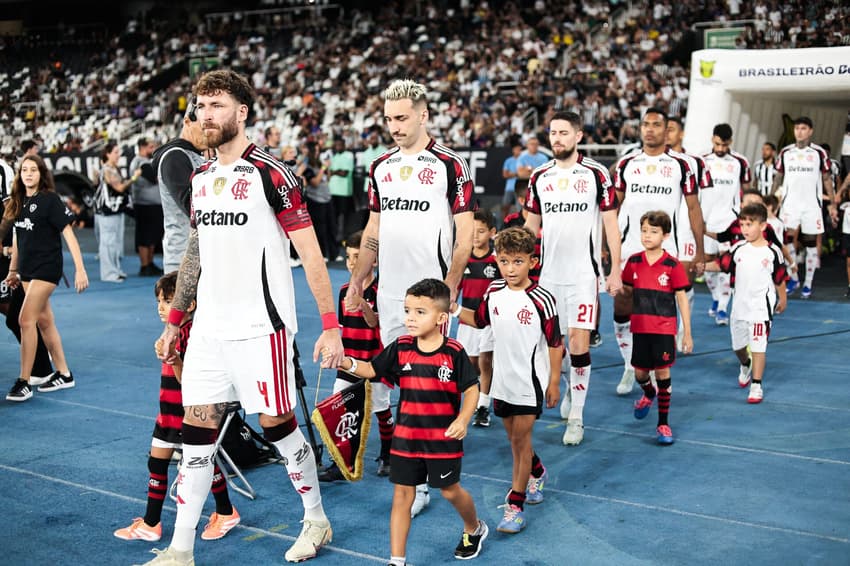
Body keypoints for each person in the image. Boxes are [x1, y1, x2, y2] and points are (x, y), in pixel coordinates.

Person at [143, 69, 343, 566]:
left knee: (278, 427)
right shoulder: (201, 176)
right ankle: (180, 549)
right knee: (196, 434)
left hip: (262, 328)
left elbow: (312, 254)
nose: (205, 115)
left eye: (216, 105)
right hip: (209, 329)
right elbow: (195, 252)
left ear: (242, 113)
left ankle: (315, 519)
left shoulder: (272, 173)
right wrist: (175, 320)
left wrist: (331, 326)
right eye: (200, 106)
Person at [346, 78, 474, 518]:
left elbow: (465, 232)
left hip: (431, 295)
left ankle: (427, 474)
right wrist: (360, 279)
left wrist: (451, 285)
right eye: (388, 119)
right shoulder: (380, 166)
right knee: (398, 379)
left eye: (401, 118)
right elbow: (374, 230)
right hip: (390, 295)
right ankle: (410, 465)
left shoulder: (449, 165)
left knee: (429, 384)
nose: (394, 127)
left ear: (423, 115)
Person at [332, 278, 487, 564]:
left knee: (450, 492)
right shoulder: (401, 346)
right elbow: (371, 369)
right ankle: (397, 560)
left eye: (419, 312)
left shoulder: (454, 352)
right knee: (402, 496)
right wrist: (344, 362)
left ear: (441, 318)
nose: (410, 318)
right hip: (406, 438)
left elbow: (471, 388)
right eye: (407, 310)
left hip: (442, 440)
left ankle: (474, 527)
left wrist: (464, 419)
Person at [114, 271, 239, 543]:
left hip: (189, 413)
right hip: (168, 411)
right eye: (159, 301)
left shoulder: (194, 334)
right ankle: (151, 523)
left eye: (168, 301)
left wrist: (174, 358)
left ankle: (226, 511)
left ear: (189, 304)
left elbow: (190, 383)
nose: (161, 307)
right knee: (156, 463)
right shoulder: (176, 331)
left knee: (202, 462)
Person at [523, 110, 622, 446]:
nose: (557, 139)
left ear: (579, 136)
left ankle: (577, 416)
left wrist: (615, 270)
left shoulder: (596, 174)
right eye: (553, 133)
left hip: (584, 276)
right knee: (553, 347)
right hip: (548, 277)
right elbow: (529, 228)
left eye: (564, 133)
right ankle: (567, 386)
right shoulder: (539, 176)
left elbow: (611, 224)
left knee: (578, 344)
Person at [454, 227, 561, 533]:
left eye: (517, 261)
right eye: (504, 261)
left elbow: (555, 343)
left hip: (531, 382)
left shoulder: (543, 299)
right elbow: (479, 320)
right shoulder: (494, 291)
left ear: (532, 261)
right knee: (515, 441)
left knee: (519, 440)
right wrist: (452, 307)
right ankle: (537, 472)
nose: (510, 268)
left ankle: (515, 505)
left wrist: (553, 381)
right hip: (502, 380)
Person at [611, 107, 704, 396]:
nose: (650, 129)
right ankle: (630, 364)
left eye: (656, 125)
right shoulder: (626, 163)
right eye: (645, 124)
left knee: (657, 312)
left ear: (667, 130)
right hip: (630, 248)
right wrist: (607, 247)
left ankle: (656, 372)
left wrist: (700, 251)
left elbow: (692, 207)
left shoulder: (683, 165)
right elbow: (611, 208)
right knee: (622, 306)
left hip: (667, 250)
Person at [3, 155, 87, 402]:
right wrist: (12, 270)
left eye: (33, 170)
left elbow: (69, 234)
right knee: (45, 322)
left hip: (47, 269)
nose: (28, 174)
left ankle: (24, 381)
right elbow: (18, 238)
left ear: (41, 174)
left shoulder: (50, 200)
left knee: (24, 320)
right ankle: (64, 373)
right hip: (27, 271)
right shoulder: (18, 201)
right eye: (24, 170)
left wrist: (80, 269)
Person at [318, 229, 394, 482]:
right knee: (339, 410)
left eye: (358, 257)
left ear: (373, 260)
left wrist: (362, 304)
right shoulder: (342, 292)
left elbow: (375, 324)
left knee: (381, 410)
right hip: (349, 361)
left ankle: (387, 455)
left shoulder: (382, 291)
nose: (352, 262)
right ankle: (339, 462)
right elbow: (339, 329)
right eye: (349, 257)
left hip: (374, 361)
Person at [621, 211, 693, 445]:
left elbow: (682, 298)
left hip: (663, 328)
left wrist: (687, 333)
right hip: (640, 327)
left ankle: (663, 423)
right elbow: (627, 289)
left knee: (663, 372)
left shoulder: (672, 265)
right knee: (641, 373)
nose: (647, 235)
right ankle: (648, 393)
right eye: (644, 230)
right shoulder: (633, 262)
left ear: (665, 235)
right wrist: (612, 288)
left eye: (653, 231)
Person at [705, 203, 787, 403]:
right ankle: (745, 364)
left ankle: (757, 385)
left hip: (761, 308)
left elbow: (780, 277)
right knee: (738, 347)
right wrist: (701, 267)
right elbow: (721, 265)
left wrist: (782, 297)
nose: (745, 229)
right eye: (742, 225)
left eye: (749, 224)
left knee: (759, 346)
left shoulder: (773, 251)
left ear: (763, 226)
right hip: (739, 307)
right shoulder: (738, 248)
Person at [0, 155, 55, 384]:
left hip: (9, 254)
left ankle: (42, 367)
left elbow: (10, 212)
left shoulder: (2, 170)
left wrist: (10, 249)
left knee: (17, 315)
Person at [772, 116, 837, 299]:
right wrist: (770, 201)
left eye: (803, 128)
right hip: (789, 205)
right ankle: (794, 277)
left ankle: (808, 283)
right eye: (796, 128)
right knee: (785, 240)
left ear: (810, 131)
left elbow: (826, 179)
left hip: (811, 206)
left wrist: (832, 204)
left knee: (810, 244)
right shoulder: (785, 152)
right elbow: (778, 177)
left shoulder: (819, 153)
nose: (799, 131)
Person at [665, 116, 712, 350]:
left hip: (686, 230)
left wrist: (702, 232)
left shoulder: (695, 162)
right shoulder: (643, 161)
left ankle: (683, 330)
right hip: (661, 231)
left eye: (671, 129)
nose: (667, 133)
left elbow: (704, 198)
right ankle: (664, 332)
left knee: (683, 282)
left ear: (681, 134)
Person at [151, 95, 209, 273]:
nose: (208, 134)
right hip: (184, 259)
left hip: (200, 255)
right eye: (203, 128)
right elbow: (193, 207)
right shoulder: (175, 157)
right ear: (187, 121)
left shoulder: (195, 156)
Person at [701, 123, 751, 326]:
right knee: (704, 265)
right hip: (705, 221)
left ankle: (722, 308)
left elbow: (747, 191)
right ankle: (715, 297)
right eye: (718, 144)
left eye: (725, 144)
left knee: (726, 266)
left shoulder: (740, 162)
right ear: (712, 139)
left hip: (729, 221)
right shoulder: (701, 160)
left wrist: (745, 217)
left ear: (731, 142)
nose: (720, 148)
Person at [456, 210, 497, 428]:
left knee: (486, 361)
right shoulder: (463, 259)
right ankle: (476, 395)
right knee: (471, 365)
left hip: (489, 321)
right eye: (472, 231)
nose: (475, 236)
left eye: (480, 231)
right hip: (466, 321)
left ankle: (483, 406)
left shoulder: (497, 261)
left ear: (492, 233)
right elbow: (455, 288)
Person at [93, 142, 140, 283]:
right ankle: (108, 273)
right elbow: (119, 187)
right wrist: (134, 178)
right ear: (107, 154)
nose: (118, 155)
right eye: (115, 152)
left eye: (118, 152)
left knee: (115, 242)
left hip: (116, 209)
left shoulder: (113, 168)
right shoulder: (107, 169)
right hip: (107, 210)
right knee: (108, 242)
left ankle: (115, 270)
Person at [130, 137, 165, 276]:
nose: (153, 149)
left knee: (152, 236)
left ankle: (150, 263)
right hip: (144, 205)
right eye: (151, 147)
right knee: (144, 236)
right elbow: (155, 177)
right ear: (142, 147)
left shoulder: (146, 161)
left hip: (152, 205)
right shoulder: (139, 162)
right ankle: (144, 265)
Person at [301, 141, 336, 262]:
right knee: (319, 229)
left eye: (318, 151)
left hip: (327, 198)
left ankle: (333, 254)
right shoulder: (307, 168)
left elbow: (328, 178)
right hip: (315, 200)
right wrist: (323, 168)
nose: (317, 153)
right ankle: (322, 254)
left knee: (331, 227)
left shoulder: (319, 165)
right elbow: (315, 182)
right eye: (314, 151)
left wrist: (327, 168)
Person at [328, 137, 356, 253]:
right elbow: (329, 172)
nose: (338, 147)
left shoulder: (349, 155)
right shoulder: (334, 156)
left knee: (344, 218)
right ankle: (336, 239)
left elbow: (344, 173)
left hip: (344, 192)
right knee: (334, 217)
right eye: (336, 145)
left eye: (340, 145)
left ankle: (344, 240)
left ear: (344, 145)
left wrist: (334, 172)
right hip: (333, 191)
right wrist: (335, 171)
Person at [501, 141, 522, 220]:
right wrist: (517, 174)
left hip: (520, 188)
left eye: (520, 149)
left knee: (520, 208)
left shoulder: (523, 160)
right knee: (505, 207)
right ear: (513, 150)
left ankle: (520, 225)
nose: (518, 151)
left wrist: (512, 173)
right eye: (517, 149)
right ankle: (504, 224)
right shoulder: (508, 160)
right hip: (509, 188)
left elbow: (525, 173)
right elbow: (505, 174)